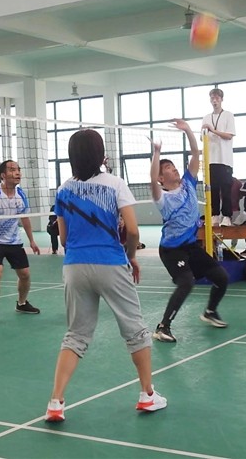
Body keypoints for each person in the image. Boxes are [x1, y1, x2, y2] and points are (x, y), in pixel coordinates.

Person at [44, 129, 166, 423]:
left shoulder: (63, 190)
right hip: (110, 262)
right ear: (101, 155)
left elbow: (63, 238)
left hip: (74, 266)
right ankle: (147, 394)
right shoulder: (115, 184)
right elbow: (133, 231)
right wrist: (131, 256)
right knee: (135, 329)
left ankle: (56, 402)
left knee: (75, 335)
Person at [151, 119, 229, 344]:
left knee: (221, 277)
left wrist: (187, 130)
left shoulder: (188, 183)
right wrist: (157, 153)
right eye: (168, 168)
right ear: (161, 178)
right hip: (172, 250)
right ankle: (163, 327)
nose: (174, 168)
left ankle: (210, 311)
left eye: (173, 166)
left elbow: (196, 153)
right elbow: (151, 179)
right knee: (186, 282)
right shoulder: (162, 198)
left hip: (191, 246)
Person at [0, 159, 41, 325]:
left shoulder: (21, 194)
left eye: (18, 169)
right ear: (3, 175)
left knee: (25, 274)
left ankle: (22, 303)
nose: (17, 172)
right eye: (12, 170)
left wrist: (32, 240)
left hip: (14, 241)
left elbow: (25, 218)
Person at [201, 88, 236, 227]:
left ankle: (227, 216)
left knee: (225, 189)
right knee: (213, 189)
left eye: (217, 98)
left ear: (221, 99)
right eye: (212, 98)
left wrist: (213, 130)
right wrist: (204, 131)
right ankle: (215, 215)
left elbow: (229, 136)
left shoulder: (228, 115)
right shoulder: (206, 117)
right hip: (211, 159)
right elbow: (202, 137)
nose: (214, 100)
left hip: (224, 159)